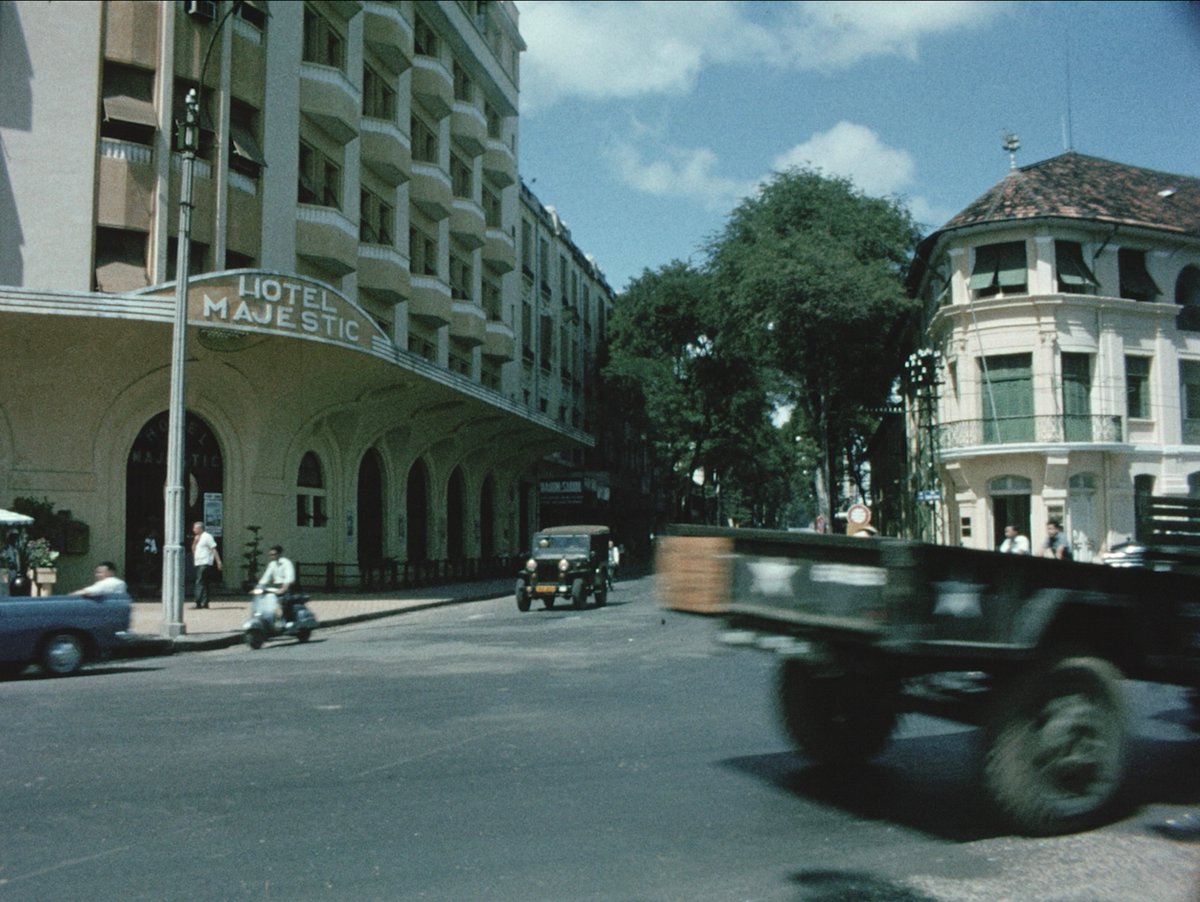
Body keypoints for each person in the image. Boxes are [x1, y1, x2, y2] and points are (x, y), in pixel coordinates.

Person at [256, 544, 297, 623]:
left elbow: (289, 576)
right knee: (266, 600)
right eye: (270, 555)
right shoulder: (272, 564)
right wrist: (259, 586)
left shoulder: (286, 563)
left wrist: (284, 587)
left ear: (279, 554)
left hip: (287, 586)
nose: (272, 556)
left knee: (282, 602)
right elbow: (266, 576)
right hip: (276, 587)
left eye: (274, 554)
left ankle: (286, 620)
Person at [191, 521, 222, 609]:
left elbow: (214, 549)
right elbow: (193, 550)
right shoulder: (197, 538)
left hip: (205, 562)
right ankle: (205, 602)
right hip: (199, 562)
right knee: (204, 582)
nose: (193, 530)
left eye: (195, 528)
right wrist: (195, 541)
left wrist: (218, 561)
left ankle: (198, 601)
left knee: (199, 581)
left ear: (200, 528)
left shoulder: (207, 537)